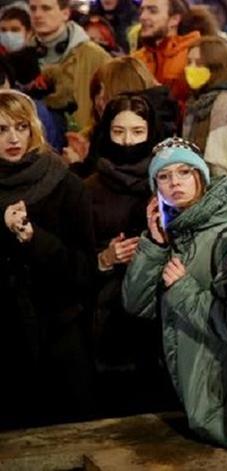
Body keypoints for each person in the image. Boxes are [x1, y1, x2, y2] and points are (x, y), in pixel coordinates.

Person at [122, 137, 227, 460]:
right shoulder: (178, 230)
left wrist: (182, 290)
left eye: (184, 172)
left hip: (225, 394)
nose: (175, 184)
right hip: (194, 391)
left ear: (201, 176)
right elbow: (136, 304)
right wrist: (154, 246)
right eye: (164, 177)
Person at [0, 90, 95, 430]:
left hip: (60, 336)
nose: (13, 138)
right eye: (1, 130)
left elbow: (84, 271)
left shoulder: (66, 185)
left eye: (21, 127)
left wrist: (34, 240)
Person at [83, 94, 175, 415]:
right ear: (106, 133)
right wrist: (104, 257)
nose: (127, 141)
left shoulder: (169, 182)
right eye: (118, 132)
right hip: (107, 318)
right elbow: (72, 257)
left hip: (162, 310)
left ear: (151, 133)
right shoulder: (88, 188)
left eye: (137, 132)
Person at [28, 0, 111, 129]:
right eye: (33, 9)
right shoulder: (21, 57)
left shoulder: (94, 55)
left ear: (65, 13)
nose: (37, 15)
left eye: (46, 8)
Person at [182, 35, 227, 177]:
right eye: (189, 62)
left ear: (216, 67)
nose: (190, 69)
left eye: (198, 64)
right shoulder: (193, 106)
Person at [132, 0, 200, 106]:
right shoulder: (136, 59)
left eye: (152, 11)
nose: (143, 17)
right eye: (141, 11)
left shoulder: (195, 56)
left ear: (174, 19)